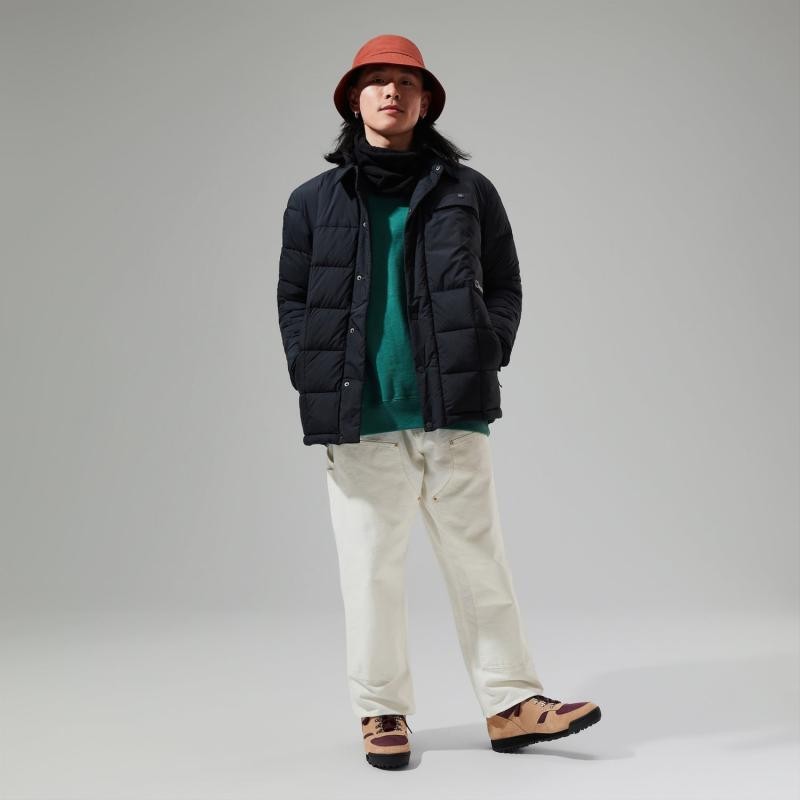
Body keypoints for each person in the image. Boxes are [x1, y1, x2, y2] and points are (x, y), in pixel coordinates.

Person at [277, 33, 601, 770]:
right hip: (359, 414)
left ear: (426, 102)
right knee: (370, 570)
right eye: (376, 80)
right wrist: (309, 368)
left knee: (481, 563)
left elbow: (505, 282)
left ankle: (512, 705)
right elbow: (293, 298)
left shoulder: (468, 191)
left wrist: (487, 347)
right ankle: (380, 711)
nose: (391, 91)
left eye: (406, 81)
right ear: (353, 100)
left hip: (452, 406)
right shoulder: (313, 201)